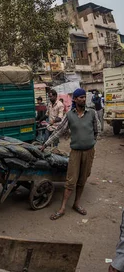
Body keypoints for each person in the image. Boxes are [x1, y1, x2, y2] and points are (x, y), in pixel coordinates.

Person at [41, 88, 100, 220]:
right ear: (75, 99)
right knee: (70, 180)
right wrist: (45, 144)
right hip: (75, 152)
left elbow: (97, 130)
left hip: (89, 152)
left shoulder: (92, 113)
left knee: (82, 179)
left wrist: (91, 142)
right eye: (80, 97)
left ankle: (76, 204)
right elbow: (59, 132)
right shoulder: (70, 115)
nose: (83, 99)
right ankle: (62, 208)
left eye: (84, 97)